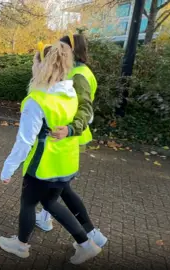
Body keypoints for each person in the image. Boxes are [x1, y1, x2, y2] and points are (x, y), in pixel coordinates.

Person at [0, 40, 102, 265]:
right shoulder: (71, 94)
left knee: (28, 203)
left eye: (35, 62)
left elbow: (24, 142)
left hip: (42, 166)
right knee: (51, 203)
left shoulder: (36, 100)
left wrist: (7, 169)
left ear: (41, 65)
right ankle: (86, 244)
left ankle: (21, 245)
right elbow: (86, 117)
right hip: (66, 162)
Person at [34, 34, 107, 250]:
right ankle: (47, 219)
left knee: (60, 187)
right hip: (65, 136)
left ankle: (91, 235)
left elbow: (86, 110)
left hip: (68, 136)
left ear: (72, 50)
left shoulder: (79, 74)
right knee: (58, 186)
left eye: (62, 47)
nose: (59, 51)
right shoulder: (77, 71)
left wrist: (70, 129)